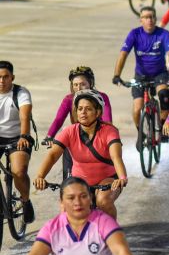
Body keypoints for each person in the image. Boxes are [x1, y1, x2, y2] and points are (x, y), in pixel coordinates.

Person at [13, 177, 144, 255]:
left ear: (90, 198)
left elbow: (121, 250)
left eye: (83, 196)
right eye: (71, 198)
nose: (77, 202)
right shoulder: (51, 228)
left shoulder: (104, 222)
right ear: (62, 202)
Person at [34, 89, 128, 219]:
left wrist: (122, 177)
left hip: (108, 179)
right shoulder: (69, 131)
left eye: (88, 109)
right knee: (66, 207)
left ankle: (112, 230)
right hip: (80, 181)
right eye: (80, 109)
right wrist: (40, 176)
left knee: (103, 201)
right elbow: (53, 155)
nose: (83, 112)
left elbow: (115, 156)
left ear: (98, 112)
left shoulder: (109, 131)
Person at [113, 6, 169, 135]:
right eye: (146, 17)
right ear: (141, 20)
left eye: (152, 17)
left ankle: (163, 127)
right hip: (141, 75)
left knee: (164, 97)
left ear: (155, 19)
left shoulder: (163, 34)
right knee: (137, 108)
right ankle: (140, 134)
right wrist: (117, 75)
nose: (149, 20)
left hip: (159, 74)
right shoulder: (134, 34)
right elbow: (123, 54)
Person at [0, 60, 35, 223]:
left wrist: (24, 136)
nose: (1, 80)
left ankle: (26, 201)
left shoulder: (21, 93)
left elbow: (24, 116)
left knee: (19, 172)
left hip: (18, 137)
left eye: (5, 77)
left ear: (12, 78)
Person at [46, 66, 113, 143]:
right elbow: (59, 119)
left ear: (91, 83)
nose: (79, 89)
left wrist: (109, 136)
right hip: (78, 136)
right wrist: (50, 136)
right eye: (75, 85)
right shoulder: (69, 99)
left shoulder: (102, 97)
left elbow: (107, 120)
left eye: (83, 84)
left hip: (99, 135)